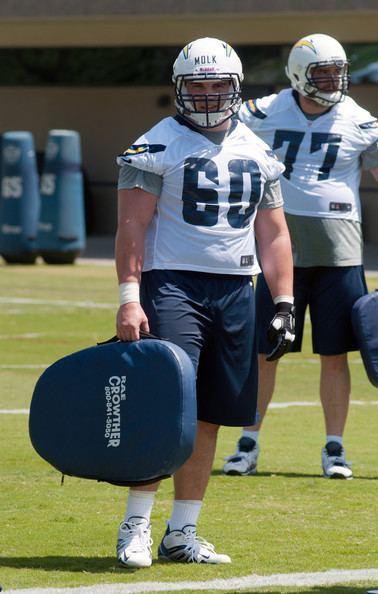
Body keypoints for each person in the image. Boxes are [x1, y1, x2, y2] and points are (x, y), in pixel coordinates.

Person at [114, 37, 294, 568]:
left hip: (238, 288)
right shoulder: (154, 143)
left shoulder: (258, 149)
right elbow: (131, 227)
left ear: (236, 87)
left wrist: (282, 300)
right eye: (199, 85)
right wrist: (129, 297)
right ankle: (137, 523)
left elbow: (276, 233)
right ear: (179, 88)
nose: (210, 95)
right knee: (170, 407)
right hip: (174, 285)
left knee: (212, 412)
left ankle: (182, 531)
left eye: (219, 85)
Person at [223, 33, 378, 481]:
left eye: (337, 72)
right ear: (298, 74)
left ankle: (335, 447)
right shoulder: (264, 111)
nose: (332, 81)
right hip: (279, 250)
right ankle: (248, 442)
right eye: (322, 73)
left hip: (340, 251)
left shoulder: (359, 120)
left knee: (336, 354)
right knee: (265, 351)